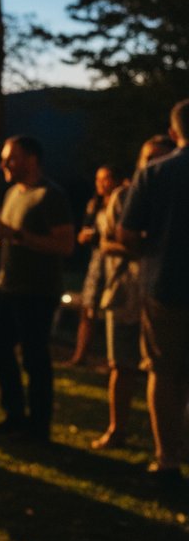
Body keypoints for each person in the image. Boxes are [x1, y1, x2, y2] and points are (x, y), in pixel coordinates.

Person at [0, 135, 75, 442]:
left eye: (10, 158)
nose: (4, 164)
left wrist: (18, 235)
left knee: (34, 358)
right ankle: (14, 415)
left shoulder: (51, 196)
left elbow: (65, 245)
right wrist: (0, 236)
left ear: (31, 160)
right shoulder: (12, 193)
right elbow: (10, 236)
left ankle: (38, 427)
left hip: (37, 291)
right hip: (6, 285)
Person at [120, 99, 189, 485]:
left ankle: (167, 458)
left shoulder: (155, 173)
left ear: (174, 131)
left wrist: (153, 247)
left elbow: (127, 234)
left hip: (165, 284)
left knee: (163, 371)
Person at [90, 137, 175, 450]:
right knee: (121, 365)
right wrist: (143, 246)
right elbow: (108, 241)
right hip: (126, 290)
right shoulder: (125, 195)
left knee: (165, 370)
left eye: (161, 158)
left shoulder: (175, 194)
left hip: (163, 292)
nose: (154, 164)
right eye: (149, 157)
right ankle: (117, 429)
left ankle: (167, 442)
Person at [70, 164, 118, 366]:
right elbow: (84, 231)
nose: (101, 183)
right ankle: (80, 356)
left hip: (115, 262)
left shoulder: (121, 202)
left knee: (112, 311)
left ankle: (112, 360)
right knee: (88, 308)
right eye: (98, 179)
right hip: (97, 261)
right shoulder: (93, 205)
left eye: (105, 178)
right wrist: (83, 237)